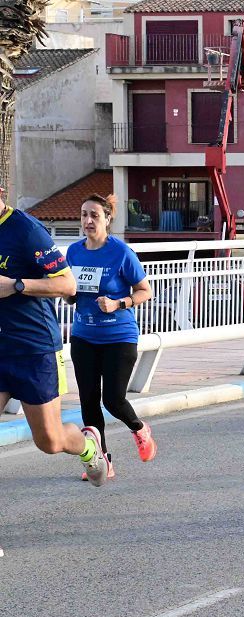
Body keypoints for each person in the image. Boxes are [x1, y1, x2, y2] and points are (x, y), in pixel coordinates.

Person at [0, 184, 108, 556]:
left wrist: (15, 285)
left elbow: (67, 284)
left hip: (33, 350)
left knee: (49, 442)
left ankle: (87, 445)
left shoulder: (26, 230)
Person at [66, 194, 157, 481]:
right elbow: (72, 294)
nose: (88, 221)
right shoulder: (73, 252)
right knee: (88, 401)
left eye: (94, 215)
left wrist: (118, 303)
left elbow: (146, 290)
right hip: (84, 335)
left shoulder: (121, 252)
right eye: (83, 215)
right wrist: (66, 294)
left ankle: (139, 428)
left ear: (107, 219)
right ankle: (102, 460)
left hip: (119, 336)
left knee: (113, 400)